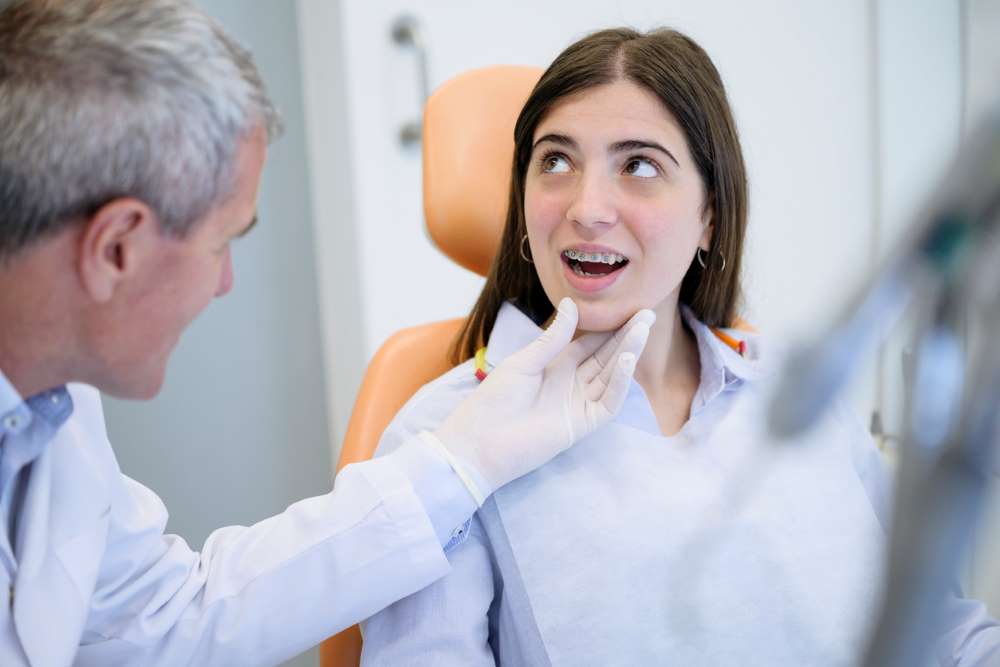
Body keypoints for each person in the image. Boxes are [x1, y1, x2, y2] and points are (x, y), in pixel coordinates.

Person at [0, 2, 654, 665]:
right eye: (222, 244)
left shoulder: (50, 406)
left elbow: (167, 613)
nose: (224, 282)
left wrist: (459, 464)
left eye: (640, 167)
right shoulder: (433, 401)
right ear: (115, 248)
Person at [359, 27, 1000, 665]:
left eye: (638, 165)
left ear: (710, 216)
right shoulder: (443, 441)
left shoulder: (799, 394)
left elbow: (937, 630)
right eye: (555, 160)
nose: (587, 207)